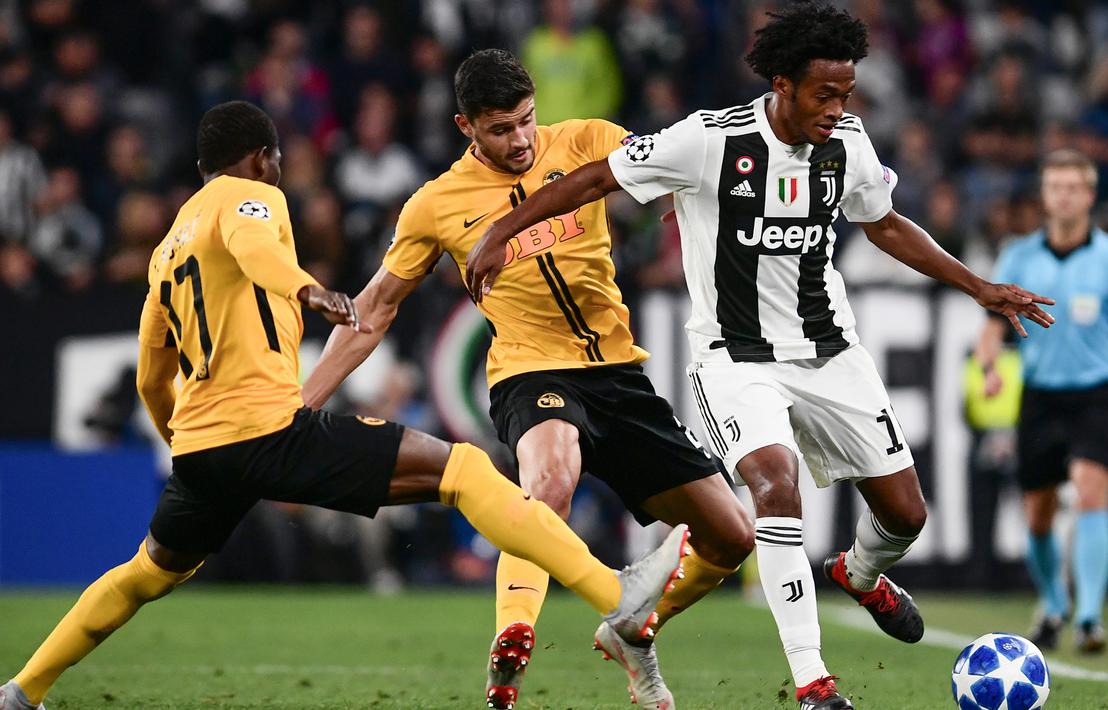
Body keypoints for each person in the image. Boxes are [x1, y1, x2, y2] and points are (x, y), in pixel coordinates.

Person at [0, 101, 691, 710]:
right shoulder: (251, 197)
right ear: (262, 158)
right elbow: (254, 248)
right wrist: (308, 290)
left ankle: (23, 689)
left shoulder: (165, 252)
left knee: (144, 573)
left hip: (202, 450)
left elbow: (154, 377)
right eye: (275, 161)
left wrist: (183, 444)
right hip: (269, 429)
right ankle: (618, 593)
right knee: (466, 471)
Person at [464, 5, 1053, 709]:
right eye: (823, 95)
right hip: (735, 358)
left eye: (846, 95)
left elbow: (886, 224)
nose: (837, 109)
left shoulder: (848, 144)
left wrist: (978, 286)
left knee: (906, 516)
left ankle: (860, 574)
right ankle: (813, 681)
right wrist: (501, 230)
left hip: (830, 351)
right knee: (775, 486)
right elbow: (593, 179)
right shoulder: (709, 140)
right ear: (782, 84)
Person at [300, 51, 753, 710]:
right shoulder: (435, 203)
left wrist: (687, 199)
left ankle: (634, 626)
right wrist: (299, 406)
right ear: (465, 126)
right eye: (500, 129)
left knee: (731, 535)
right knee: (551, 479)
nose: (519, 141)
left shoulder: (588, 140)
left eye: (525, 121)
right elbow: (374, 310)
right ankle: (513, 635)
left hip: (618, 374)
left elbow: (680, 162)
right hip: (529, 369)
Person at [976, 148, 1108, 653]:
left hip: (1097, 397)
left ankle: (1089, 618)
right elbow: (992, 327)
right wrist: (989, 368)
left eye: (1072, 187)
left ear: (1089, 195)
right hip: (1040, 396)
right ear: (1044, 196)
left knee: (1091, 491)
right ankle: (1052, 605)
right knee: (1038, 514)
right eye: (1054, 187)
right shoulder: (1018, 257)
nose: (1063, 196)